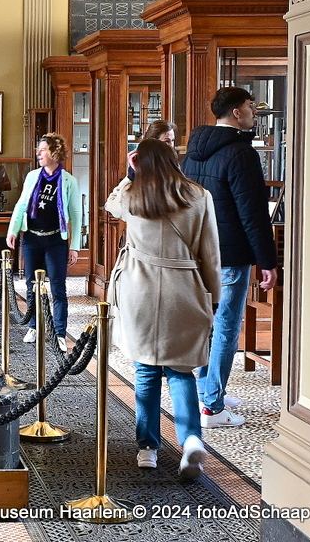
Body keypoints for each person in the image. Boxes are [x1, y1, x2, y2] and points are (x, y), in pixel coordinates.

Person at [106, 139, 221, 478]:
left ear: (140, 161)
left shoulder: (133, 195)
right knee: (181, 371)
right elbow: (210, 253)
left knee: (145, 371)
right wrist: (213, 296)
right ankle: (190, 441)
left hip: (139, 292)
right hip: (182, 291)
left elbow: (109, 205)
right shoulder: (199, 197)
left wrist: (129, 174)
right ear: (174, 159)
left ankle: (147, 448)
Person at [182, 87, 278, 429]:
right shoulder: (241, 154)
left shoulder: (192, 153)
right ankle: (212, 406)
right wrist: (268, 260)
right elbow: (252, 213)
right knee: (225, 327)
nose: (254, 111)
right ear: (237, 112)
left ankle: (208, 389)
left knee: (205, 325)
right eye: (251, 106)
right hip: (231, 253)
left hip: (196, 252)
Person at [6, 133, 83, 348]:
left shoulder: (69, 181)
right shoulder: (32, 176)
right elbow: (21, 205)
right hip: (32, 239)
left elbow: (76, 214)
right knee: (31, 285)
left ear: (55, 152)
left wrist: (75, 246)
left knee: (58, 288)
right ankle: (33, 325)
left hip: (56, 240)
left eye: (42, 150)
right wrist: (12, 230)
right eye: (38, 150)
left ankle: (59, 332)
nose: (38, 153)